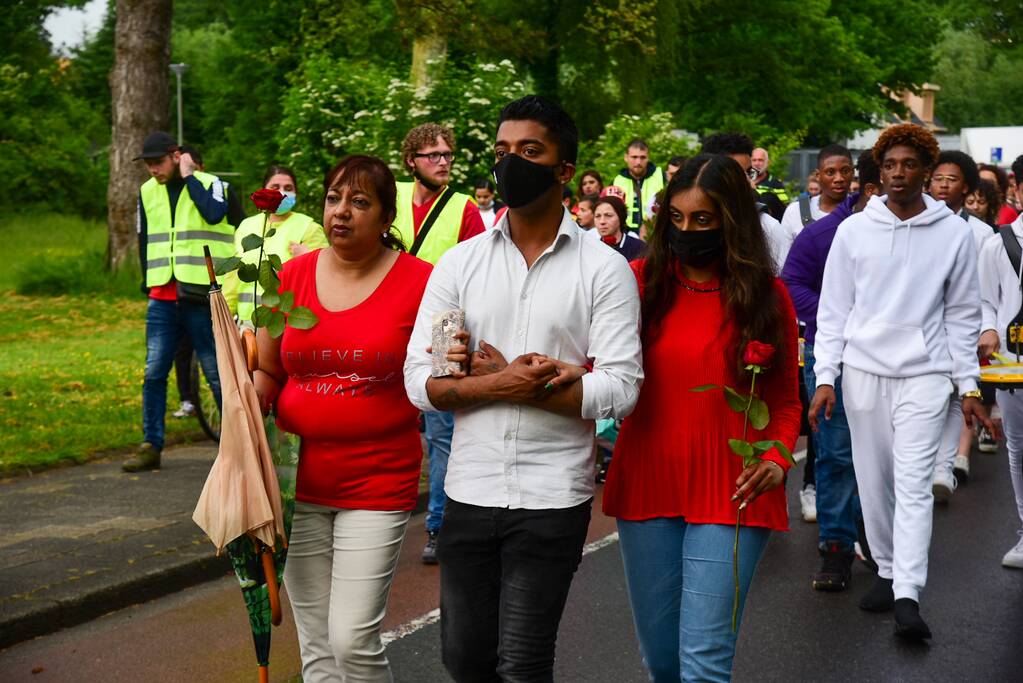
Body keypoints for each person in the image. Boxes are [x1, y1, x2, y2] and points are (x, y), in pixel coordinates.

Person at [403, 95, 643, 682]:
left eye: (530, 151)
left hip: (552, 494)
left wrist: (501, 382)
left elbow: (620, 387)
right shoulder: (459, 265)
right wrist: (512, 381)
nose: (512, 163)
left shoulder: (602, 268)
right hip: (470, 487)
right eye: (503, 151)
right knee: (464, 660)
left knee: (524, 664)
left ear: (565, 170)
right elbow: (419, 380)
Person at [603, 154, 800, 681]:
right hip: (647, 481)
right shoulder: (636, 282)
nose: (687, 231)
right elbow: (594, 369)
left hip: (735, 487)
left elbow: (785, 401)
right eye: (678, 219)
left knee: (704, 663)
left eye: (704, 220)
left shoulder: (767, 295)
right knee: (663, 662)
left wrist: (779, 458)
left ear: (731, 221)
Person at [809, 123, 994, 640]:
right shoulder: (853, 231)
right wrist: (826, 377)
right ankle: (887, 571)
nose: (897, 173)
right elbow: (833, 312)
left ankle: (908, 594)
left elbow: (962, 317)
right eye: (888, 165)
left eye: (908, 164)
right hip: (863, 373)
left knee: (913, 484)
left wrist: (969, 386)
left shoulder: (953, 233)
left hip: (925, 376)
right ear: (880, 170)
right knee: (873, 482)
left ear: (927, 171)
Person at [254, 155, 433, 682]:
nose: (342, 212)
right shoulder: (289, 276)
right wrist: (247, 406)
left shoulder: (422, 282)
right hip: (296, 479)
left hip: (377, 479)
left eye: (360, 202)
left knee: (351, 637)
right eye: (334, 198)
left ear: (385, 217)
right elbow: (268, 370)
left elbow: (442, 372)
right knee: (316, 646)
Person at [782, 150, 883, 593]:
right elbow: (790, 282)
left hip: (889, 363)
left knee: (883, 457)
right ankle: (837, 547)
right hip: (832, 359)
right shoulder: (823, 233)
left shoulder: (912, 235)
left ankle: (877, 535)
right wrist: (831, 316)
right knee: (837, 454)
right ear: (869, 188)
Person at [393, 122, 485, 564]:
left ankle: (437, 526)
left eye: (448, 154)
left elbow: (473, 276)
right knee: (385, 421)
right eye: (434, 155)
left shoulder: (464, 208)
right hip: (387, 317)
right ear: (412, 161)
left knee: (442, 433)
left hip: (442, 325)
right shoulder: (388, 195)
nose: (444, 161)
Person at [122, 131, 230, 473]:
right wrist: (146, 279)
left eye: (158, 162)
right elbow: (145, 238)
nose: (153, 170)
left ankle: (235, 447)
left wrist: (189, 176)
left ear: (176, 156)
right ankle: (151, 445)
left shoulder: (211, 183)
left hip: (199, 294)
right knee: (154, 372)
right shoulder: (146, 192)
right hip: (162, 297)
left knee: (215, 372)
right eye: (148, 165)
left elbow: (214, 215)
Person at [928, 150, 998, 497]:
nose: (943, 185)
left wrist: (988, 327)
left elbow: (985, 290)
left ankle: (944, 467)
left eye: (951, 179)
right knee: (929, 398)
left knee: (958, 394)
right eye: (938, 177)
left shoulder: (982, 234)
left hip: (962, 326)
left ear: (966, 186)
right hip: (923, 328)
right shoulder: (917, 221)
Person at [170, 145, 247, 420]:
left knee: (213, 359)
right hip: (177, 286)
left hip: (215, 284)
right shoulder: (170, 193)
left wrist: (191, 177)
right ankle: (188, 399)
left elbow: (226, 220)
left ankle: (234, 421)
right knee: (182, 349)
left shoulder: (215, 186)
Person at [978, 152, 1023, 569]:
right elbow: (985, 300)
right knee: (1018, 448)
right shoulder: (998, 243)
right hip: (1012, 360)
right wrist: (988, 329)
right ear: (1018, 191)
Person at [226, 165, 328, 326]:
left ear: (296, 193)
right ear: (263, 191)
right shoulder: (246, 226)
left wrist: (306, 258)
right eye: (275, 187)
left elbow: (324, 280)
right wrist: (226, 314)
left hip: (286, 322)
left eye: (288, 188)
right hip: (247, 321)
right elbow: (232, 276)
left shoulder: (309, 228)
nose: (282, 192)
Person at [699, 133, 790, 272]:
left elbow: (782, 283)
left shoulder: (766, 227)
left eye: (749, 173)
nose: (748, 181)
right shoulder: (683, 221)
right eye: (735, 173)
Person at [781, 145, 853, 241]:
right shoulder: (795, 211)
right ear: (818, 176)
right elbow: (783, 255)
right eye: (830, 172)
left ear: (852, 172)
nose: (839, 178)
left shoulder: (862, 211)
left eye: (845, 171)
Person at [612, 139, 665, 232]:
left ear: (648, 158)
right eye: (634, 157)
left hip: (655, 232)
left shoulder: (661, 176)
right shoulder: (617, 181)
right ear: (626, 157)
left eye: (643, 157)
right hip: (625, 233)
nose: (638, 162)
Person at [594, 195, 646, 261]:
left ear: (621, 217)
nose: (602, 221)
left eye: (608, 215)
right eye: (597, 216)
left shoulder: (639, 248)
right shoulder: (592, 248)